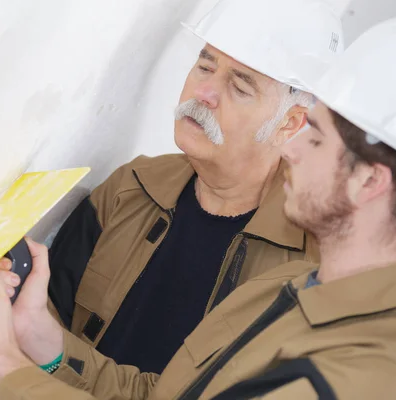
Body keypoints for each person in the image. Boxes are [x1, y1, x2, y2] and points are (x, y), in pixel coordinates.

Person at [0, 15, 396, 399]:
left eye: (315, 138)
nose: (290, 150)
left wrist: (3, 362)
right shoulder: (290, 293)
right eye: (205, 66)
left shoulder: (353, 378)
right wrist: (42, 340)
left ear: (368, 181)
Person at [44, 0, 342, 376]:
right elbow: (44, 316)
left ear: (289, 124)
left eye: (239, 87)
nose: (204, 92)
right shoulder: (130, 188)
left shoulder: (308, 266)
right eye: (205, 66)